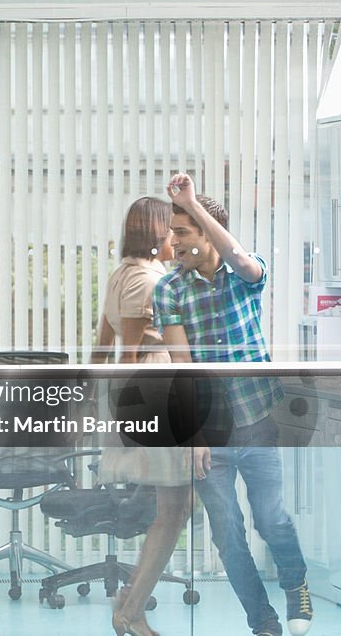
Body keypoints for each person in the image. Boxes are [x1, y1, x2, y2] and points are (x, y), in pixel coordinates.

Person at [153, 173, 312, 636]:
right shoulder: (170, 290)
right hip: (210, 430)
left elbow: (242, 261)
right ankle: (263, 622)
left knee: (271, 519)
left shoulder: (245, 276)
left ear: (206, 231)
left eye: (182, 232)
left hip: (258, 419)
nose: (173, 242)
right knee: (228, 534)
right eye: (172, 232)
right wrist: (195, 433)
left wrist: (191, 203)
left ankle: (296, 582)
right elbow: (181, 366)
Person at [91, 197, 193, 636]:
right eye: (171, 230)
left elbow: (100, 349)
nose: (176, 238)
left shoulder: (123, 275)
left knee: (176, 507)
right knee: (175, 507)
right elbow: (129, 356)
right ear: (156, 235)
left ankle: (131, 601)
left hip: (147, 394)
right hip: (154, 393)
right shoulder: (148, 281)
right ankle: (130, 611)